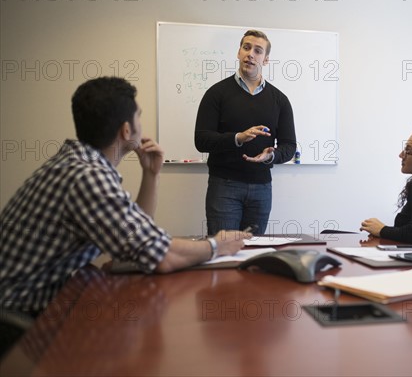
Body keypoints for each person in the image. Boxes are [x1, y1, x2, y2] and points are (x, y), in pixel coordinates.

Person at [0, 77, 250, 318]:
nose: (141, 123)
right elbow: (161, 256)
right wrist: (217, 246)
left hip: (30, 306)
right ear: (126, 129)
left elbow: (135, 235)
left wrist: (151, 174)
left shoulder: (78, 162)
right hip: (18, 320)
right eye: (139, 116)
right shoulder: (86, 176)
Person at [194, 29, 297, 235]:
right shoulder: (216, 93)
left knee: (254, 255)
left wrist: (271, 155)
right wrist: (237, 138)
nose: (250, 54)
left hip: (262, 188)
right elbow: (201, 140)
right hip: (224, 186)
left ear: (266, 60)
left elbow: (289, 146)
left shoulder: (280, 100)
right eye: (246, 47)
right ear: (238, 52)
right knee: (223, 253)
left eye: (258, 51)